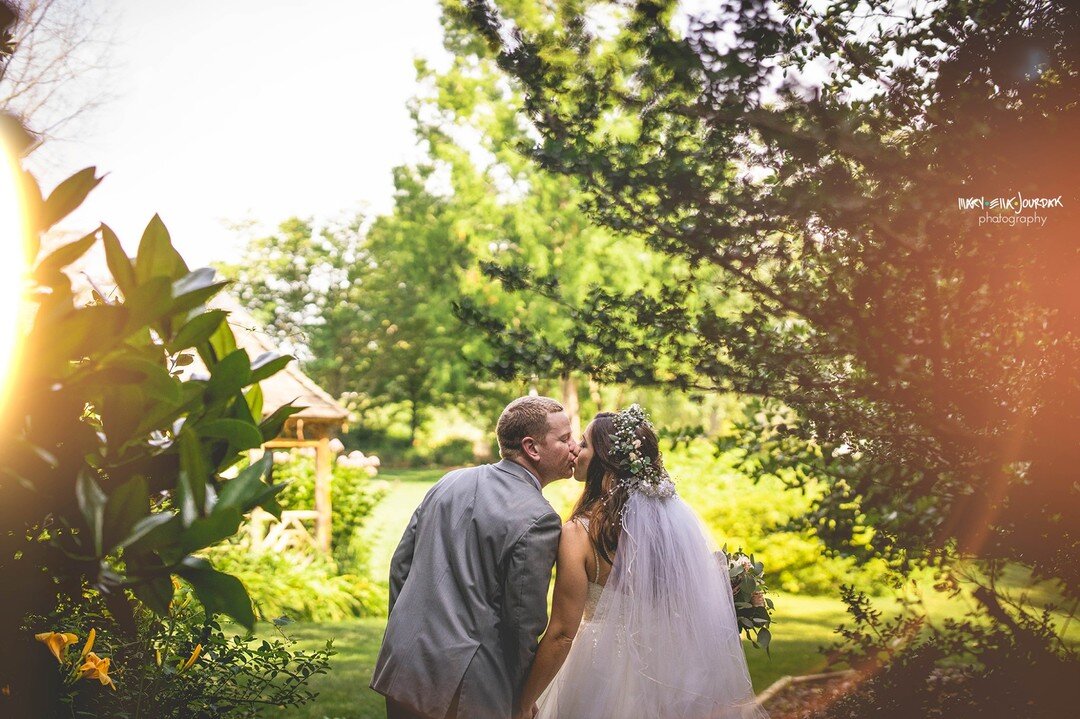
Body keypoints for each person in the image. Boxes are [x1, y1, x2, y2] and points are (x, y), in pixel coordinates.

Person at [516, 405, 769, 719]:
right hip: (664, 670)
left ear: (605, 463)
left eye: (583, 444)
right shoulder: (665, 529)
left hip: (596, 670)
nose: (575, 450)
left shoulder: (578, 534)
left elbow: (562, 633)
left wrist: (525, 701)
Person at [370, 396, 579, 719]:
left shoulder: (449, 482)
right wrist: (523, 694)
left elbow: (401, 567)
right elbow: (523, 621)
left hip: (404, 666)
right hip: (469, 688)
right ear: (532, 448)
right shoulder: (541, 518)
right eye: (564, 439)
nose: (574, 447)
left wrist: (404, 633)